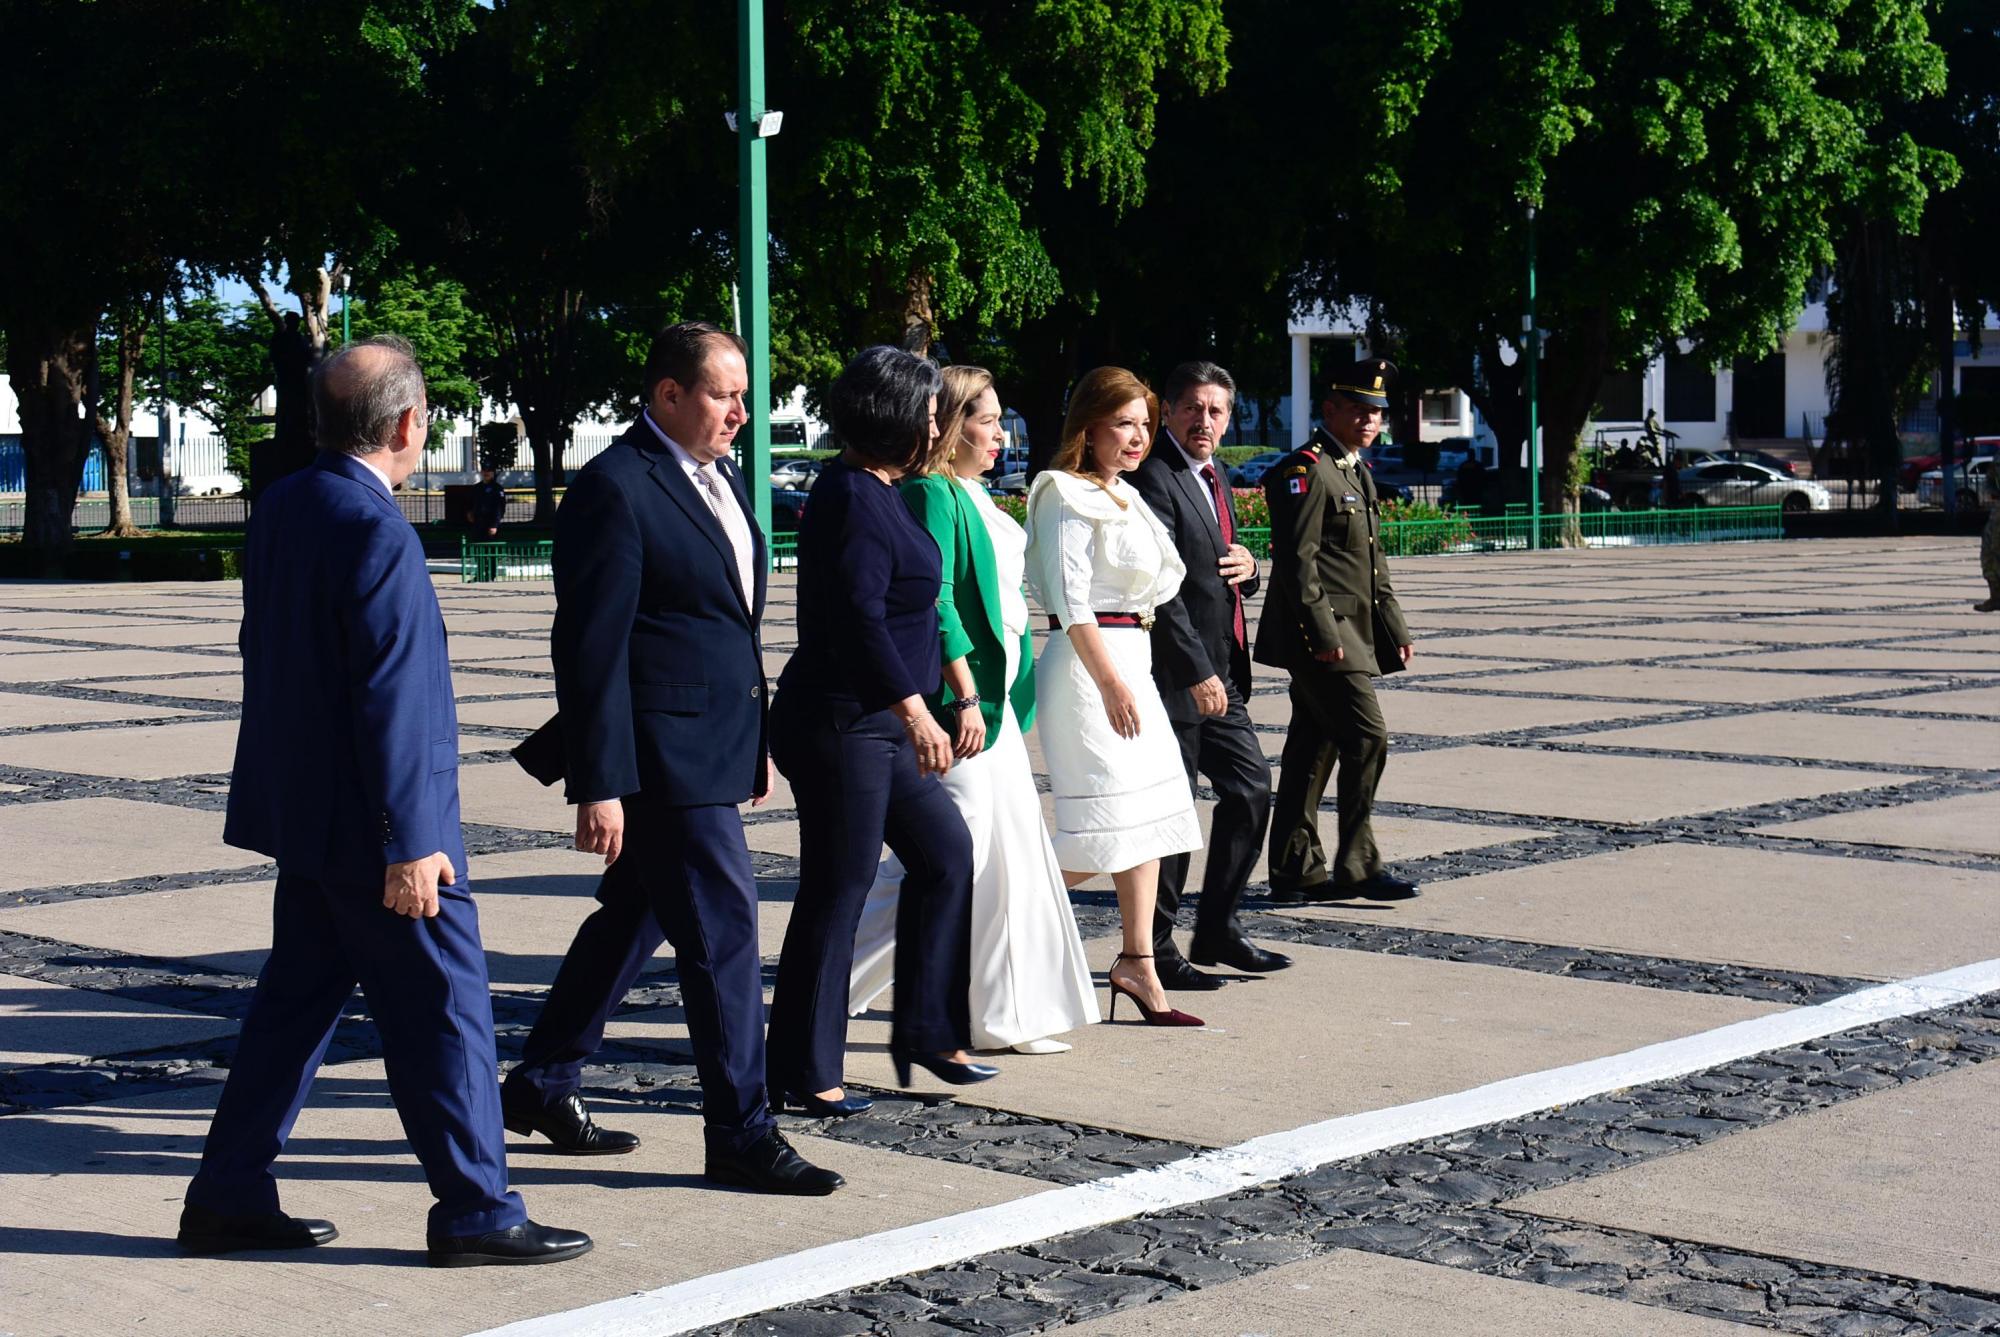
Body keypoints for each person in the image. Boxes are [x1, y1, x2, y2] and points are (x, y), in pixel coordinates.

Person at [181, 336, 589, 1267]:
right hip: (381, 830)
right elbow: (395, 699)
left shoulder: (286, 505)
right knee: (447, 1010)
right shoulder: (378, 530)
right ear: (410, 425)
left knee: (292, 1010)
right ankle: (479, 1209)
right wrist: (412, 841)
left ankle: (229, 1190)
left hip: (313, 821)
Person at [501, 321, 841, 1196]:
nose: (742, 410)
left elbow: (720, 625)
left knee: (632, 919)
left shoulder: (720, 477)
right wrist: (600, 783)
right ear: (669, 395)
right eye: (726, 394)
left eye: (743, 394)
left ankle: (542, 1082)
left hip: (713, 744)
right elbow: (590, 649)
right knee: (725, 935)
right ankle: (740, 1130)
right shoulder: (617, 486)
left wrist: (752, 739)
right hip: (657, 757)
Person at [767, 346, 994, 1108]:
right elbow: (856, 620)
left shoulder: (885, 490)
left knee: (946, 853)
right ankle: (805, 1072)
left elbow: (914, 610)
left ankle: (928, 1030)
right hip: (844, 723)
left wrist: (943, 696)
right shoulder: (849, 496)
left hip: (880, 725)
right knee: (837, 889)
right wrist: (916, 709)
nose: (939, 423)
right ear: (896, 415)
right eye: (932, 410)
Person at [848, 365, 1099, 1055]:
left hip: (993, 703)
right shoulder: (931, 491)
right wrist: (962, 696)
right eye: (987, 420)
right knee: (953, 852)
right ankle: (830, 980)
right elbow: (936, 600)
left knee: (1006, 858)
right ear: (951, 426)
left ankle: (1001, 1012)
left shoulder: (970, 492)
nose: (1000, 432)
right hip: (961, 706)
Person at [1025, 366, 1206, 1028]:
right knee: (1103, 825)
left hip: (1135, 659)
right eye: (1125, 422)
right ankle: (998, 905)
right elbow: (1072, 599)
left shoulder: (1124, 495)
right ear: (1089, 425)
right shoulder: (1062, 492)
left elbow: (1160, 586)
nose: (1139, 435)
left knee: (1150, 815)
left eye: (1145, 423)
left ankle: (1138, 961)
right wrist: (1108, 682)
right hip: (1088, 666)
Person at [1129, 361, 1288, 991]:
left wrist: (1249, 567)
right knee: (1173, 812)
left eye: (1216, 410)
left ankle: (1218, 925)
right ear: (1168, 410)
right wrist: (1195, 671)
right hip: (1175, 675)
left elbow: (1217, 564)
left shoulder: (1211, 474)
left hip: (1222, 672)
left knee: (1249, 791)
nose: (1205, 420)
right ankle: (1157, 948)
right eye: (1193, 407)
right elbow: (1162, 588)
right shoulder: (1154, 478)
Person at [1257, 357, 1417, 904]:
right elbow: (1299, 565)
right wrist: (1324, 636)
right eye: (1359, 409)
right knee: (1368, 735)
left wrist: (1392, 624)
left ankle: (1295, 868)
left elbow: (1373, 564)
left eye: (1378, 412)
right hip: (1322, 635)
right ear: (1330, 410)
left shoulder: (1353, 469)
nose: (1371, 420)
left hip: (1352, 630)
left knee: (1313, 746)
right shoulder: (1304, 470)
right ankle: (1359, 863)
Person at [469, 466, 507, 538]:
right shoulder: (476, 487)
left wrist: (494, 525)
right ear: (481, 472)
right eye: (484, 470)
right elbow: (471, 502)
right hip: (478, 523)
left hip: (491, 524)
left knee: (491, 547)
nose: (486, 473)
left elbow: (501, 508)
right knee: (477, 545)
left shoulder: (497, 488)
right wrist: (469, 512)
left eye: (489, 471)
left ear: (493, 473)